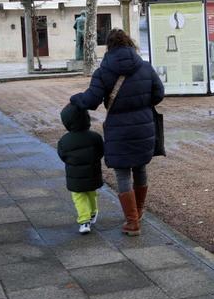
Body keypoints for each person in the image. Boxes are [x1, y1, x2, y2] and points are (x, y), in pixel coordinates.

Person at [70, 29, 164, 236]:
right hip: (144, 125)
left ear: (109, 47)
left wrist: (75, 98)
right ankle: (138, 213)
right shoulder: (145, 67)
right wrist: (142, 106)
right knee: (140, 167)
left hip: (118, 129)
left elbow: (90, 101)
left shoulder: (104, 71)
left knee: (123, 173)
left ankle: (132, 222)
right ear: (129, 44)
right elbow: (159, 93)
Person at [57, 103, 104, 234]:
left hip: (74, 175)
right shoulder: (95, 137)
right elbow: (101, 151)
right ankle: (93, 212)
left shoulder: (64, 140)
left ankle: (84, 221)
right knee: (91, 192)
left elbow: (63, 156)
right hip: (93, 171)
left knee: (78, 196)